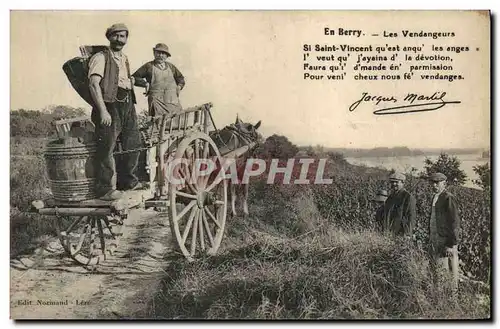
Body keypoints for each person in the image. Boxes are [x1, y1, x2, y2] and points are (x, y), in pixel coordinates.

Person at [88, 23, 143, 201]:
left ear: (126, 39)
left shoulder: (124, 58)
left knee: (133, 143)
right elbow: (94, 84)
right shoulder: (101, 57)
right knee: (107, 146)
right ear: (109, 37)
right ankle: (104, 190)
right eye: (116, 36)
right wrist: (103, 111)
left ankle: (129, 182)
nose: (119, 39)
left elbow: (125, 80)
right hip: (109, 105)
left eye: (123, 36)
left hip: (127, 103)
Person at [132, 43, 186, 116]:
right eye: (158, 53)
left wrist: (179, 86)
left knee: (177, 122)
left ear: (167, 56)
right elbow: (134, 77)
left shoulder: (171, 67)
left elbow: (180, 78)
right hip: (156, 102)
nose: (160, 55)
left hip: (173, 102)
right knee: (157, 123)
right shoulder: (149, 66)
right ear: (154, 53)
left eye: (163, 53)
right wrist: (145, 84)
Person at [428, 172, 460, 291]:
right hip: (435, 239)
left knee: (449, 271)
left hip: (445, 241)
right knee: (438, 270)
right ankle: (439, 297)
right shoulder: (436, 197)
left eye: (437, 183)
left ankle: (451, 299)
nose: (434, 185)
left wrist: (450, 244)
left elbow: (454, 222)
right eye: (432, 183)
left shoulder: (448, 198)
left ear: (444, 183)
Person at [382, 172, 416, 236]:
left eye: (397, 182)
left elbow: (411, 217)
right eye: (392, 182)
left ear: (403, 183)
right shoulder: (390, 197)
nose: (394, 184)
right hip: (389, 233)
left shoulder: (408, 197)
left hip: (401, 233)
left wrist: (408, 234)